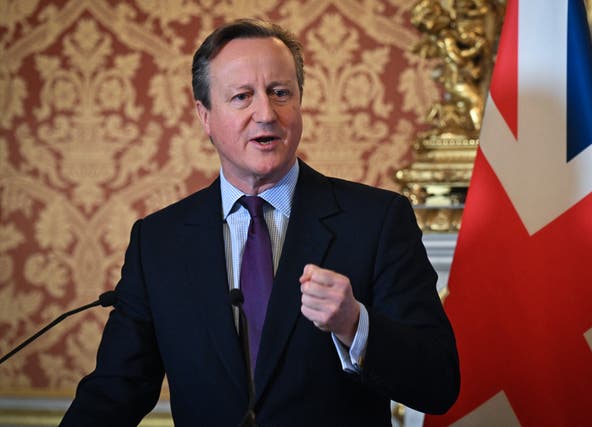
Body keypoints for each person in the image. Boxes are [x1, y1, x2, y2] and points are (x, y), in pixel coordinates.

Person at [60, 18, 459, 427]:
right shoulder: (159, 242)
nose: (266, 113)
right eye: (242, 97)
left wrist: (354, 323)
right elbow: (115, 391)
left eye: (280, 93)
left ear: (300, 103)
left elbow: (439, 383)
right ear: (205, 116)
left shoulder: (376, 221)